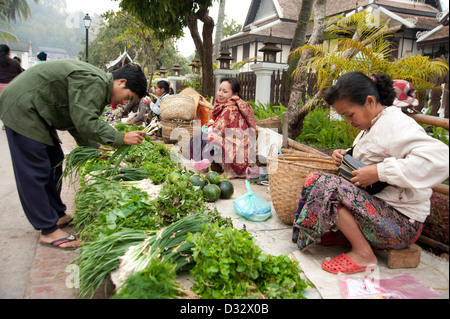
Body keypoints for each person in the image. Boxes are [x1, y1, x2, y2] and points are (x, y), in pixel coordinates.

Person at [292, 72, 449, 275]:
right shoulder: (372, 126)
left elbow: (440, 159)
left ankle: (364, 254)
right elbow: (372, 155)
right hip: (380, 215)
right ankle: (342, 236)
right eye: (344, 116)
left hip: (400, 227)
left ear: (370, 101)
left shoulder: (396, 124)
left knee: (327, 185)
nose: (348, 121)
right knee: (316, 179)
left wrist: (379, 172)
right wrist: (345, 155)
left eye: (350, 114)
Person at [0, 59, 148, 250]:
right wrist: (121, 137)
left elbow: (74, 119)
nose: (123, 102)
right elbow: (84, 121)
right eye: (128, 96)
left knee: (54, 159)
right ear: (121, 82)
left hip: (37, 110)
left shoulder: (98, 86)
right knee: (35, 169)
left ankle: (57, 213)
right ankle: (48, 230)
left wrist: (93, 146)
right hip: (23, 107)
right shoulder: (95, 82)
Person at [190, 77, 257, 178]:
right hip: (231, 141)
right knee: (200, 137)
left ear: (234, 94)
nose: (220, 94)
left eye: (225, 91)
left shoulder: (231, 108)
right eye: (219, 90)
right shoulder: (222, 105)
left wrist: (208, 133)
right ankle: (208, 166)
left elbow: (219, 132)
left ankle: (230, 172)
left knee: (211, 139)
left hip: (239, 148)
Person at [0, 44, 23, 130]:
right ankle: (6, 124)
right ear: (8, 52)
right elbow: (20, 75)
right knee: (8, 107)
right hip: (10, 89)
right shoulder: (15, 63)